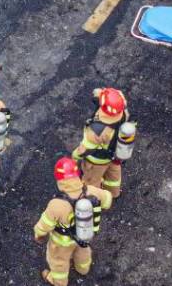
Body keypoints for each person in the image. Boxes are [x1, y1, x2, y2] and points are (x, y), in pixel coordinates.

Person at [34, 158, 108, 286]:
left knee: (58, 261)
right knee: (83, 251)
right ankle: (83, 269)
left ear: (59, 179)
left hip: (61, 242)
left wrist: (38, 234)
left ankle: (58, 282)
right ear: (77, 175)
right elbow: (107, 200)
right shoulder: (90, 191)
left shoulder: (56, 204)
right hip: (84, 235)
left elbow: (44, 226)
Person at [71, 87, 130, 198]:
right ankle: (113, 194)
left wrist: (74, 157)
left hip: (97, 161)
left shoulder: (97, 131)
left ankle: (91, 200)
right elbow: (118, 97)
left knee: (91, 181)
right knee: (113, 177)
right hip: (115, 155)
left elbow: (85, 148)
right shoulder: (123, 114)